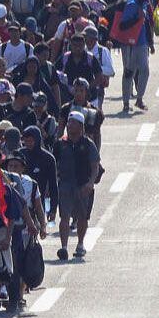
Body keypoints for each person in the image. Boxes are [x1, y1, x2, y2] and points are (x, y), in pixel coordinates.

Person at [53, 111, 102, 259]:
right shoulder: (60, 144)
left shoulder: (88, 144)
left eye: (73, 122)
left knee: (82, 217)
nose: (69, 125)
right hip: (65, 185)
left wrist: (90, 183)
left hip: (83, 186)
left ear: (80, 126)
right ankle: (64, 247)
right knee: (65, 217)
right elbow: (54, 165)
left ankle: (80, 244)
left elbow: (95, 166)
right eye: (69, 122)